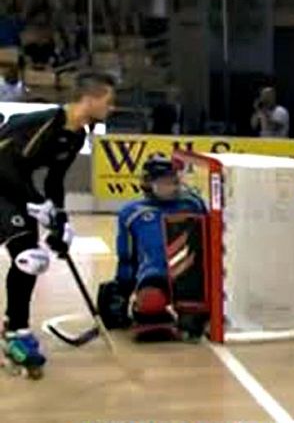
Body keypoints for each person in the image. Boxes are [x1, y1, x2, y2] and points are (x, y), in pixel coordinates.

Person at [0, 70, 115, 372]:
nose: (111, 108)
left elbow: (54, 181)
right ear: (89, 99)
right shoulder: (45, 122)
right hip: (3, 181)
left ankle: (16, 330)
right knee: (26, 254)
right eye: (107, 100)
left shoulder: (76, 135)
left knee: (31, 259)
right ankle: (15, 329)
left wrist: (61, 221)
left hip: (14, 188)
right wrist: (36, 203)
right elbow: (5, 164)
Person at [97, 154, 208, 342]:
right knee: (151, 302)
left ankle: (190, 311)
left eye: (174, 181)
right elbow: (127, 255)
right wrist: (123, 287)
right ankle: (148, 308)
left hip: (190, 273)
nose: (172, 186)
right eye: (165, 182)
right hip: (155, 273)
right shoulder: (132, 212)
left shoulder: (193, 204)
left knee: (195, 322)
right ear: (148, 183)